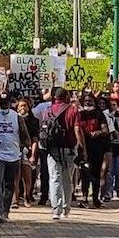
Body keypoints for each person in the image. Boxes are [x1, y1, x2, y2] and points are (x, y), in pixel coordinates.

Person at [0, 92, 30, 223]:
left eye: (6, 103)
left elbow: (25, 135)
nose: (4, 106)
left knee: (9, 184)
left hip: (13, 155)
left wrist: (25, 147)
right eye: (1, 103)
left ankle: (5, 211)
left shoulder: (17, 117)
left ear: (10, 103)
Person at [42, 88, 82, 220]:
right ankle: (66, 209)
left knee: (54, 179)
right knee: (67, 179)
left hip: (52, 150)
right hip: (69, 148)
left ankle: (56, 210)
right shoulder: (73, 110)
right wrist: (81, 146)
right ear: (66, 97)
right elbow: (77, 129)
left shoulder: (48, 111)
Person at [76, 91, 110, 208]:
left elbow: (106, 130)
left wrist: (98, 133)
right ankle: (84, 198)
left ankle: (95, 199)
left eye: (90, 101)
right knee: (85, 173)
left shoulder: (99, 114)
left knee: (96, 174)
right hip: (83, 148)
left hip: (97, 149)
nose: (88, 103)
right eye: (85, 101)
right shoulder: (79, 115)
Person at [13, 97, 39, 208]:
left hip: (27, 152)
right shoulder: (13, 120)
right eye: (21, 106)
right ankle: (15, 200)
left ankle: (27, 197)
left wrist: (33, 154)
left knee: (27, 177)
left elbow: (34, 139)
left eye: (25, 105)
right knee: (15, 177)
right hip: (15, 150)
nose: (23, 108)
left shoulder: (33, 121)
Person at [102, 98, 119, 201]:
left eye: (114, 104)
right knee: (109, 172)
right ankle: (108, 192)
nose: (112, 106)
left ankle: (118, 187)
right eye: (111, 104)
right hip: (109, 147)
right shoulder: (105, 116)